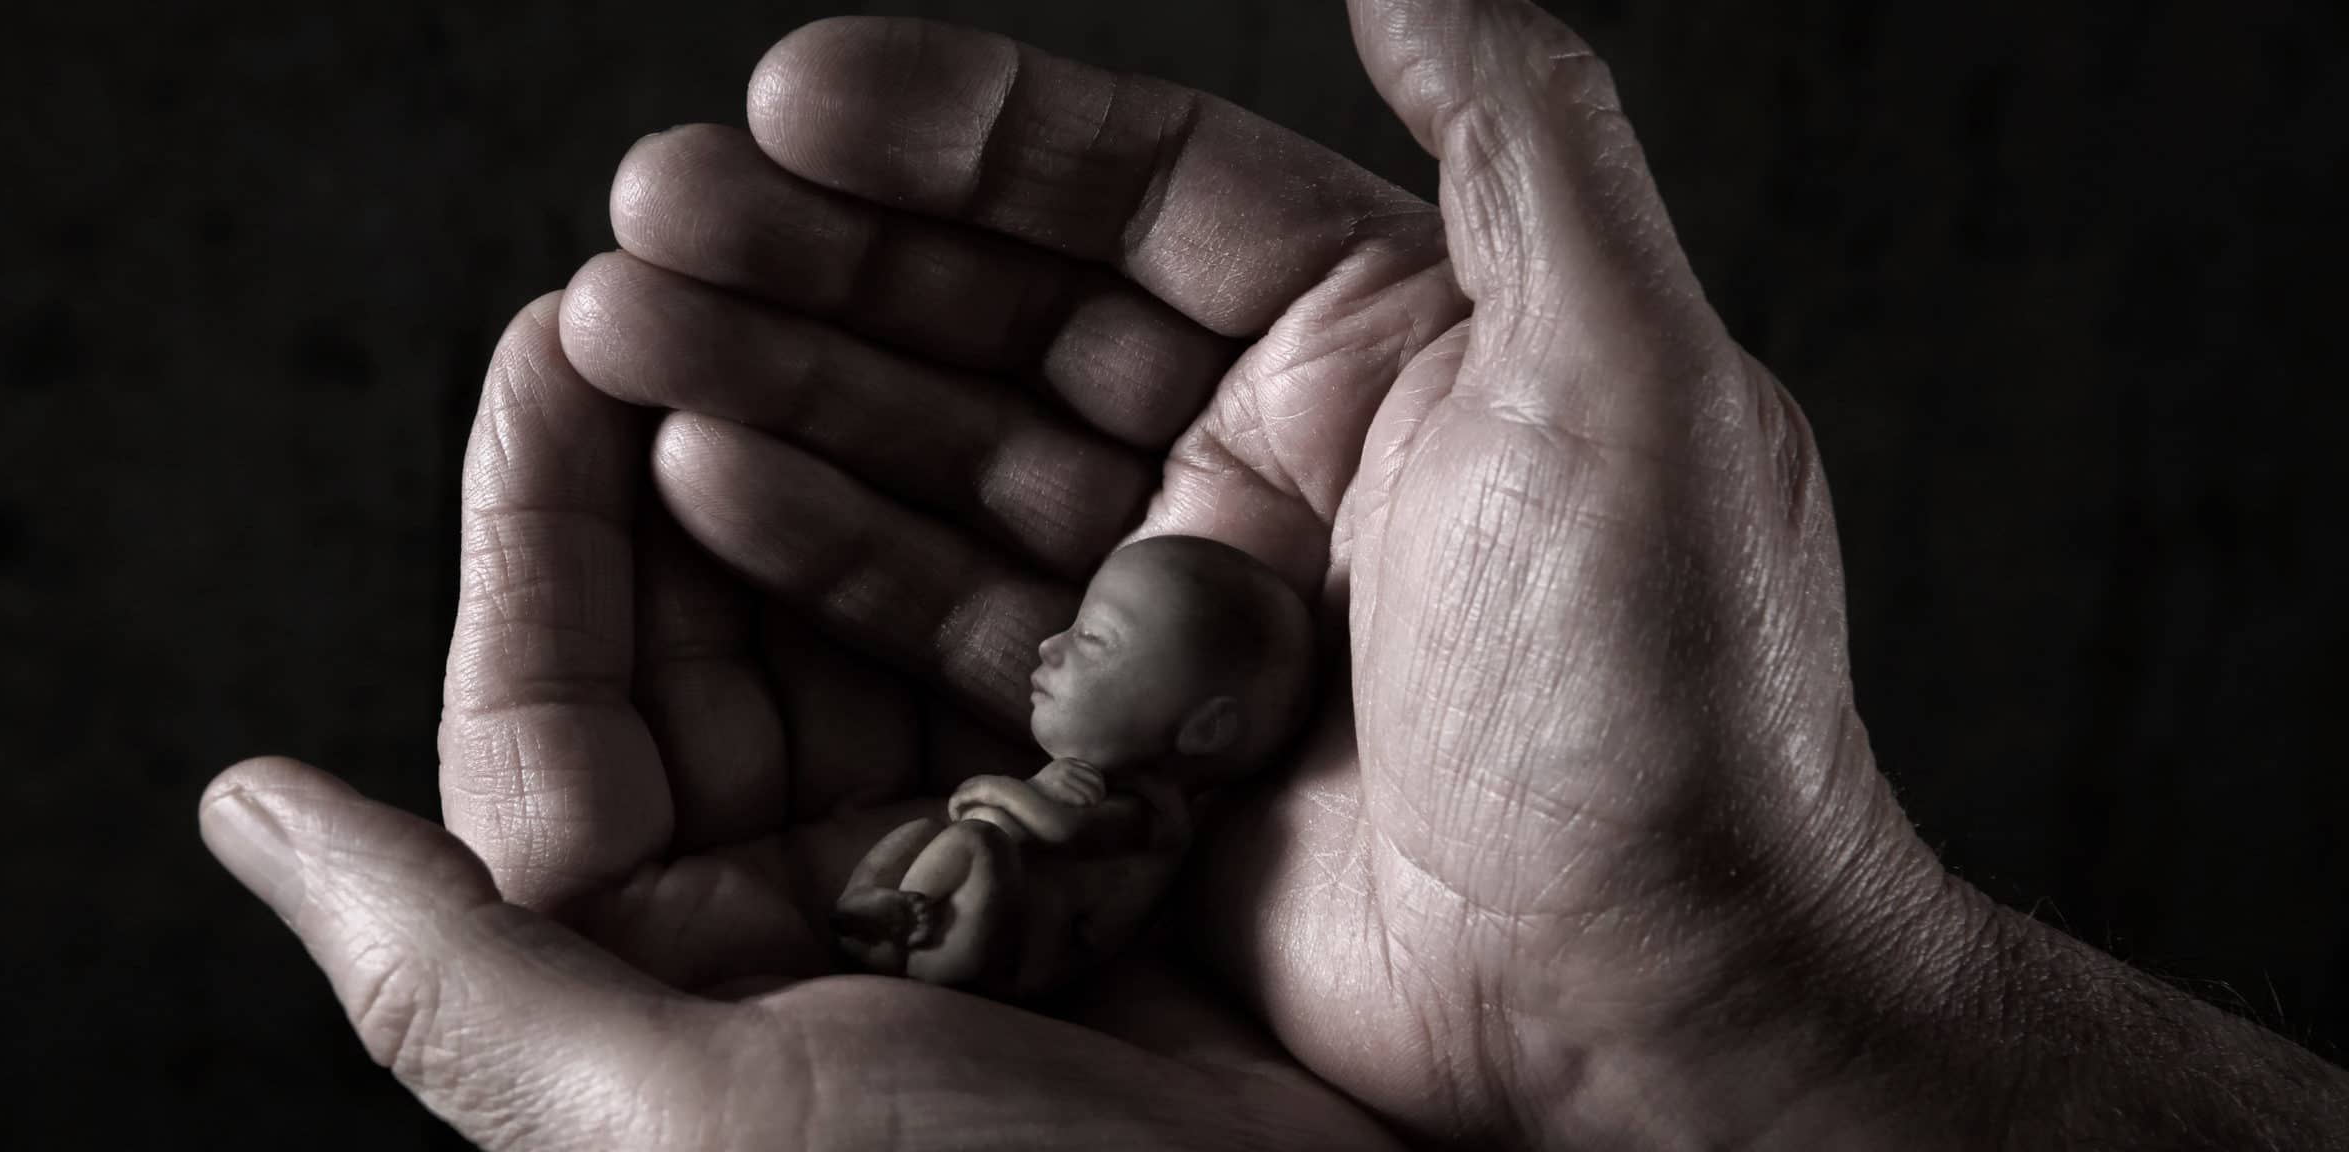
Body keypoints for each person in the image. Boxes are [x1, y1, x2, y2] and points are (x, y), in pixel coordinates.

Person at [197, 3, 2349, 1147]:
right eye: (1071, 626)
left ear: (1216, 733)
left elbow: (1037, 868)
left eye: (1098, 646)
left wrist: (984, 845)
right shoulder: (1096, 793)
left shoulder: (1114, 830)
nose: (1049, 646)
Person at [831, 534, 1315, 996]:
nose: (1050, 645)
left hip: (1000, 961)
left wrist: (987, 789)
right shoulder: (1103, 782)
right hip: (952, 925)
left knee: (975, 837)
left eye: (1092, 637)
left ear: (1205, 729)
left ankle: (895, 925)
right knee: (917, 833)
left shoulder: (1151, 813)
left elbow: (1060, 829)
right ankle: (871, 909)